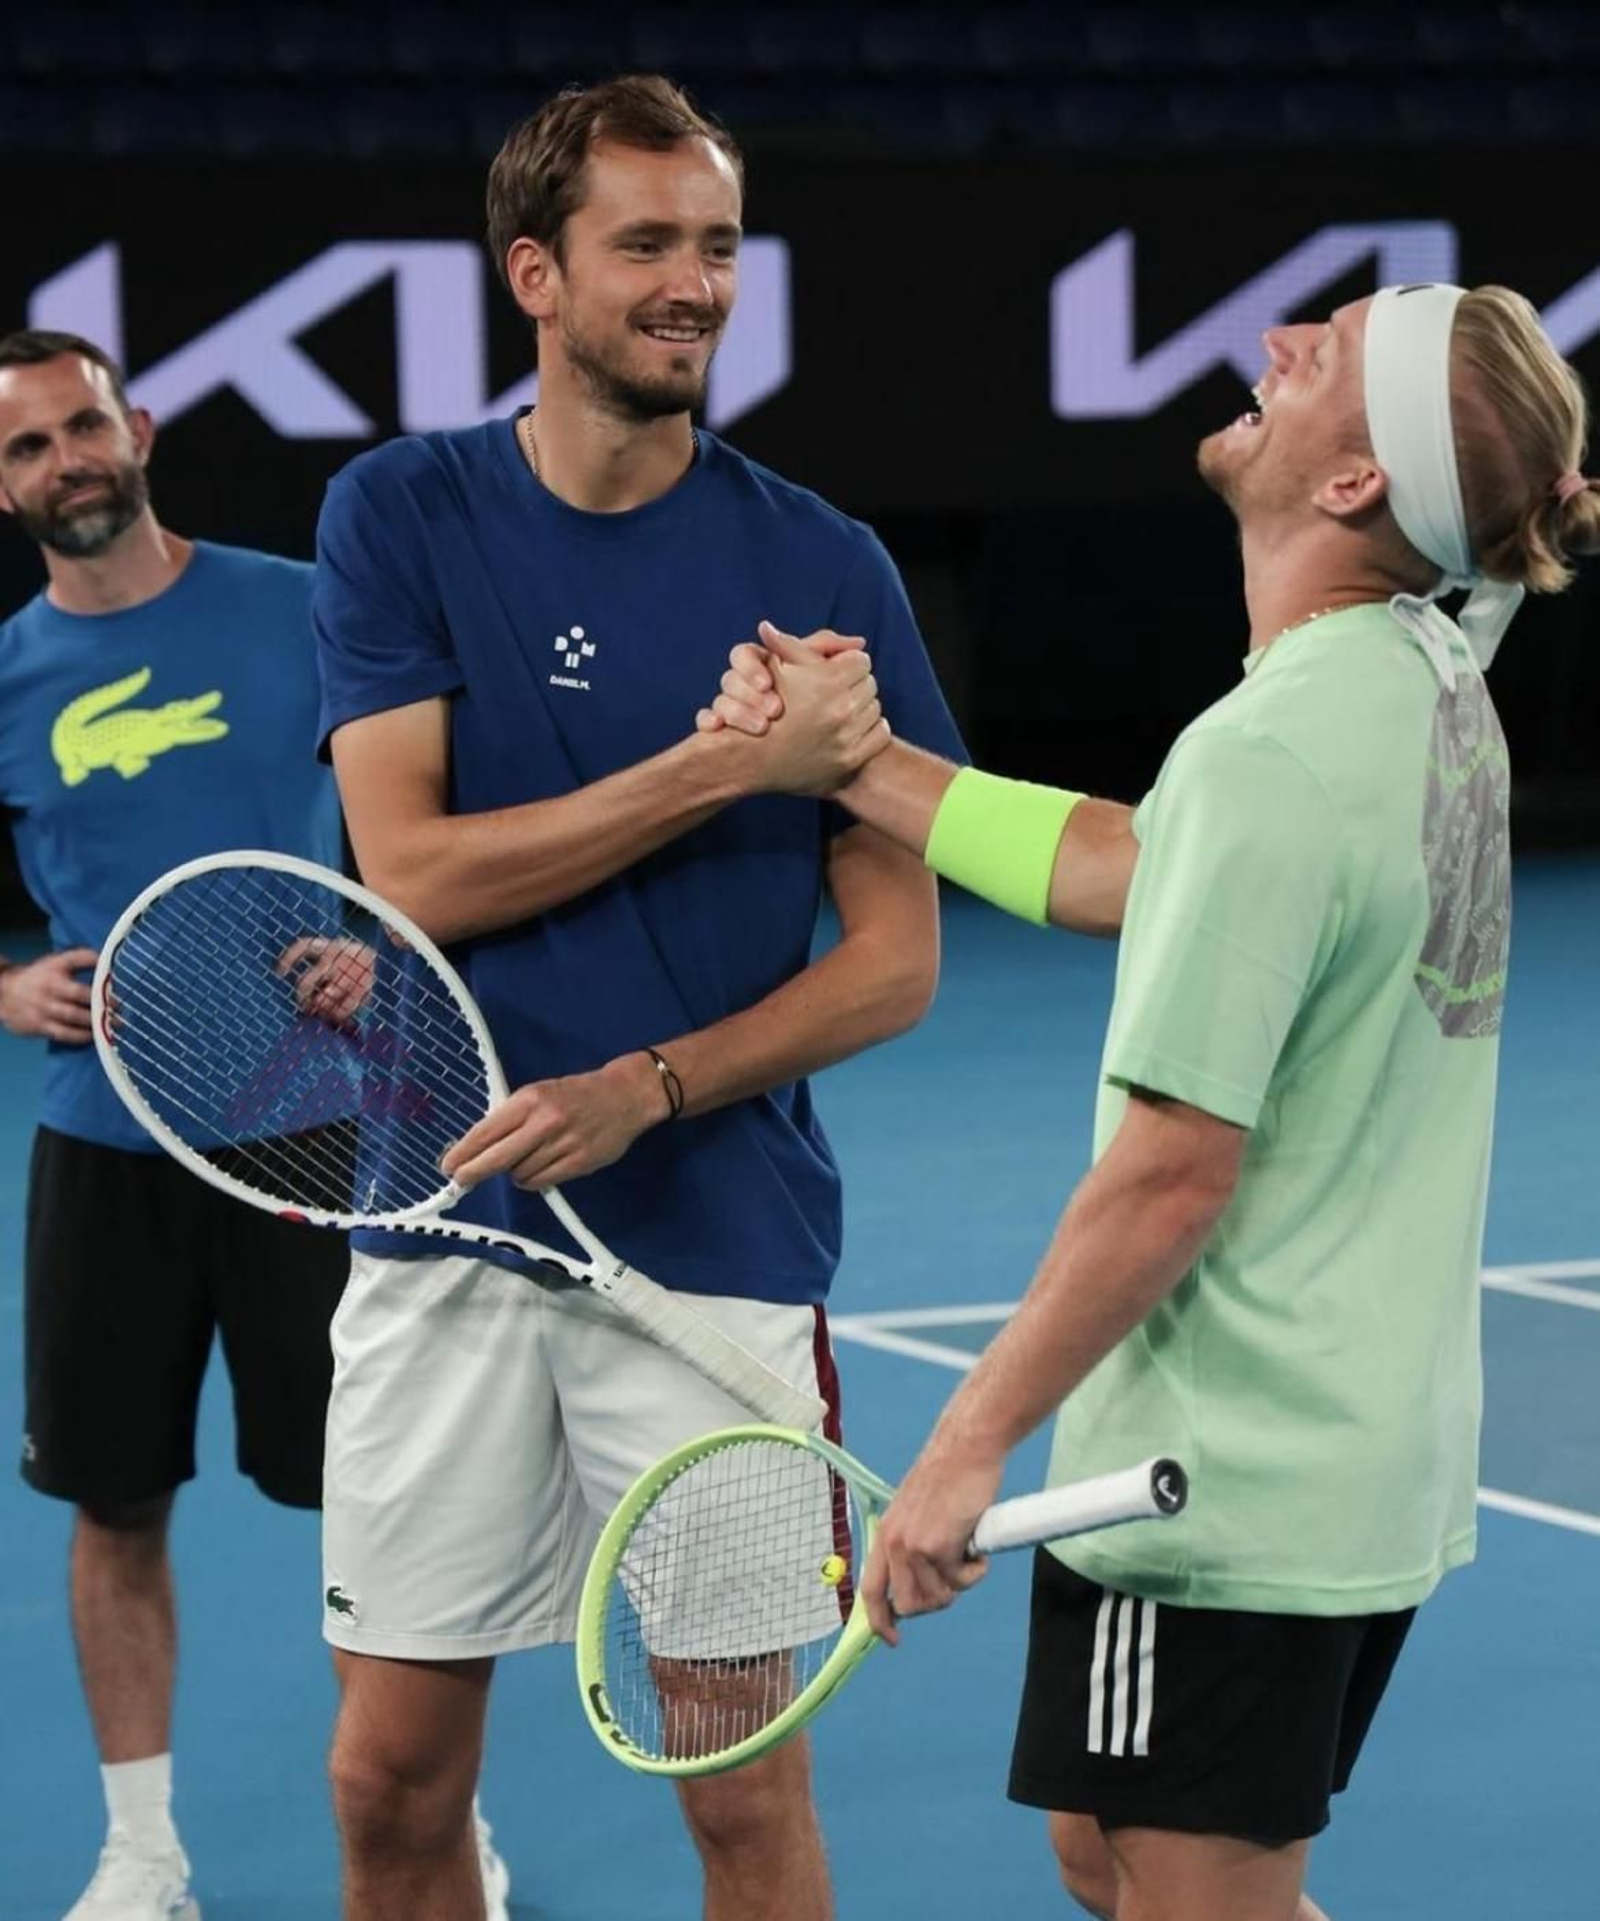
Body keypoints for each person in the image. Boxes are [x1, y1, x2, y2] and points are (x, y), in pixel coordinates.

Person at [702, 284, 1600, 1920]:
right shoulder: (1424, 675)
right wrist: (859, 764)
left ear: (1356, 483)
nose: (1277, 344)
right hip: (1359, 1452)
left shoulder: (1275, 752)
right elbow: (1140, 860)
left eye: (1325, 354)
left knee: (1181, 1885)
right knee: (1104, 1845)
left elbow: (1172, 1173)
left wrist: (962, 1445)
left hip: (1222, 1471)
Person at [310, 74, 961, 1921]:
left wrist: (647, 1087)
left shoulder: (825, 565)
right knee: (389, 1781)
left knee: (740, 1790)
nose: (696, 285)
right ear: (537, 273)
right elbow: (411, 869)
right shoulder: (399, 512)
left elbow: (896, 962)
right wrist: (718, 768)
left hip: (714, 1266)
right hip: (440, 1228)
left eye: (720, 246)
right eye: (648, 243)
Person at [0, 330, 357, 1921]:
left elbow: (433, 799)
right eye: (26, 446)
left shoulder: (306, 607)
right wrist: (4, 987)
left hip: (314, 1132)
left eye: (82, 425)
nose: (64, 461)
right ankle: (143, 1854)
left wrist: (379, 931)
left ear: (138, 428)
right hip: (106, 1142)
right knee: (115, 1500)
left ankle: (426, 1828)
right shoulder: (7, 677)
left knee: (373, 1507)